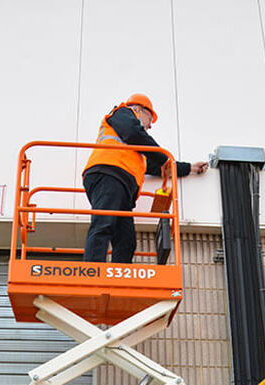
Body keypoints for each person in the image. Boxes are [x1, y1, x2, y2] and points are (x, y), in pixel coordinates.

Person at [82, 94, 208, 263]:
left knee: (127, 241)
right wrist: (163, 158)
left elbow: (159, 167)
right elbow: (135, 133)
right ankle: (92, 271)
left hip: (122, 186)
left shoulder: (135, 151)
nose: (149, 126)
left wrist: (190, 168)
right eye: (150, 119)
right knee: (103, 223)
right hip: (108, 174)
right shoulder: (122, 113)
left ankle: (119, 278)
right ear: (139, 109)